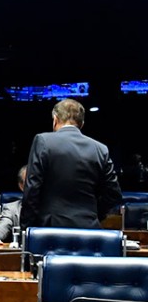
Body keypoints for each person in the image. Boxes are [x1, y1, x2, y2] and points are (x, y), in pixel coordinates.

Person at [20, 98, 123, 229]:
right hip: (88, 227)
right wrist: (93, 214)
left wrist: (27, 228)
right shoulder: (101, 149)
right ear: (82, 124)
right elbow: (114, 194)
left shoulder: (43, 141)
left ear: (55, 120)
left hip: (50, 228)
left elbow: (32, 190)